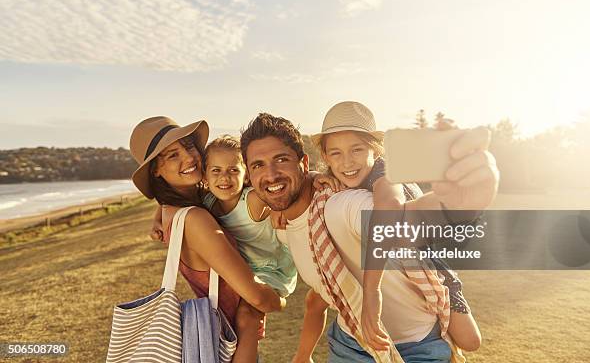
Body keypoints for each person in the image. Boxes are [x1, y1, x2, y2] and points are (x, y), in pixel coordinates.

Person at [239, 112, 499, 363]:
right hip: (348, 344)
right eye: (258, 165)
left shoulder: (341, 206)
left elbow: (404, 219)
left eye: (281, 159)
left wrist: (457, 206)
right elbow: (321, 292)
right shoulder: (284, 229)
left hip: (415, 349)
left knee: (469, 338)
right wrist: (303, 354)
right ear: (249, 175)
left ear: (304, 164)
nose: (271, 174)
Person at [306, 101, 481, 355]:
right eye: (336, 153)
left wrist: (371, 290)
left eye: (357, 149)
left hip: (431, 263)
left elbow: (390, 205)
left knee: (469, 340)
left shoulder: (385, 173)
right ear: (325, 157)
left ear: (375, 151)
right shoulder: (337, 179)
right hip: (403, 256)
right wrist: (313, 177)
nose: (347, 161)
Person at [129, 116, 285, 363]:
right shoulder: (195, 219)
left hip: (222, 339)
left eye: (188, 146)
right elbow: (257, 297)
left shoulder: (178, 210)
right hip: (233, 345)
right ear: (155, 170)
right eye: (172, 155)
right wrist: (281, 301)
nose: (189, 158)